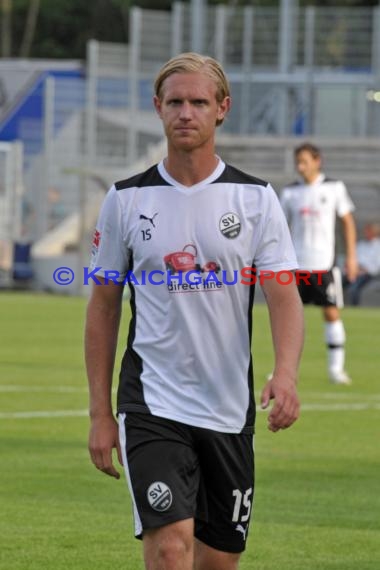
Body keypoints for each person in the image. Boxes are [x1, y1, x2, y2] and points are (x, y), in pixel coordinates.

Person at [85, 52, 304, 570]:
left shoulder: (255, 199)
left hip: (229, 407)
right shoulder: (125, 200)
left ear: (221, 108)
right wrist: (99, 412)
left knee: (217, 561)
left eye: (198, 102)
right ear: (157, 108)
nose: (186, 113)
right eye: (175, 102)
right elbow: (102, 306)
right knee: (169, 547)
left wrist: (287, 373)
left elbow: (283, 294)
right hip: (152, 402)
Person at [280, 142, 358, 385]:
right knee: (289, 317)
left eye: (304, 160)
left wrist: (351, 258)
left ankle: (336, 370)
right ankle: (283, 370)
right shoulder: (290, 192)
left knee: (331, 312)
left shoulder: (334, 188)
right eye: (297, 161)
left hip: (324, 263)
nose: (300, 166)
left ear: (317, 160)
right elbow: (281, 228)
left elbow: (347, 222)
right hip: (297, 265)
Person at [344, 222, 380, 305]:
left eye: (368, 231)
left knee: (353, 288)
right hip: (353, 272)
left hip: (368, 275)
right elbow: (352, 258)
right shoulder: (360, 245)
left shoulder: (378, 247)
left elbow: (376, 267)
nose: (366, 233)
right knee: (337, 285)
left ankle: (354, 308)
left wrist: (362, 270)